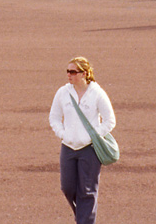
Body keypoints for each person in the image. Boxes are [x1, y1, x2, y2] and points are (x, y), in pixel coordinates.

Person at [49, 57, 115, 224]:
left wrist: (93, 136)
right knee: (67, 187)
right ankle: (83, 217)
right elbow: (54, 117)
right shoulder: (63, 93)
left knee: (87, 191)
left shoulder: (97, 94)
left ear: (84, 74)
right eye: (67, 71)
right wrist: (63, 134)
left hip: (89, 149)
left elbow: (110, 120)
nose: (69, 75)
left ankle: (85, 221)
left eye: (73, 72)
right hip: (68, 147)